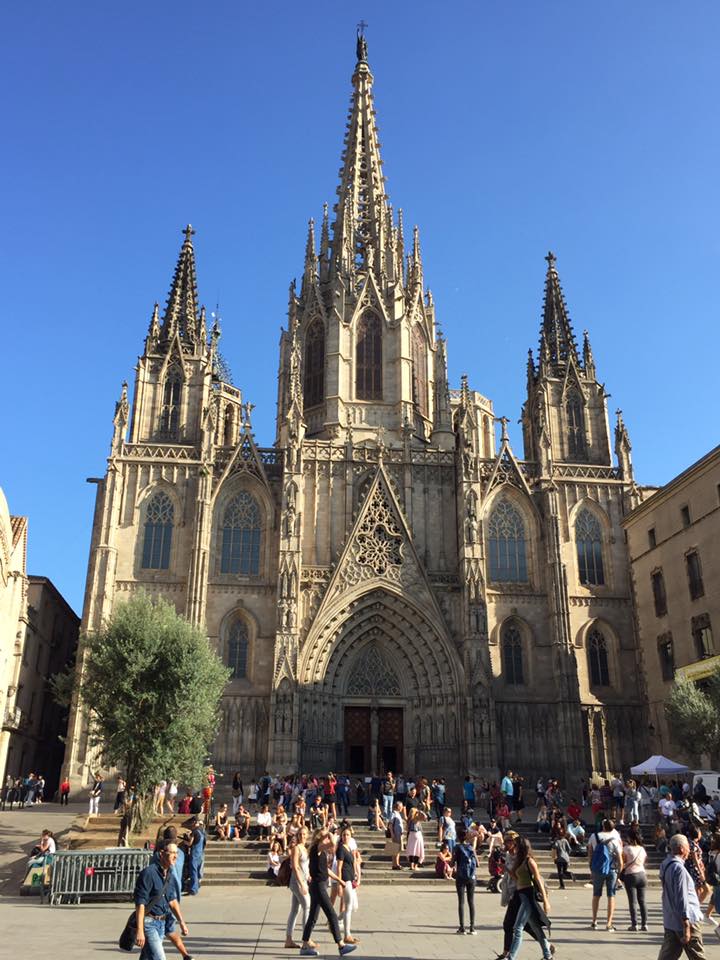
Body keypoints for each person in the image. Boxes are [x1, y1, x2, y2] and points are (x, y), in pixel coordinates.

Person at [299, 828, 356, 956]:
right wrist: (330, 833)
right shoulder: (317, 848)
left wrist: (339, 880)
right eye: (325, 836)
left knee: (313, 917)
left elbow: (326, 870)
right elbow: (333, 842)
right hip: (318, 886)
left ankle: (304, 945)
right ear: (321, 837)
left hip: (319, 885)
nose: (327, 837)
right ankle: (341, 945)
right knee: (332, 914)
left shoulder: (320, 851)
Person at [134, 842, 189, 960]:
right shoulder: (148, 873)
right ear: (162, 854)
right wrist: (140, 931)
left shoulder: (169, 873)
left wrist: (181, 922)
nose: (176, 856)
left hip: (161, 924)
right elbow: (140, 903)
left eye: (177, 853)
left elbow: (172, 900)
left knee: (147, 957)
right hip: (148, 923)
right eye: (172, 853)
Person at [658, 833, 706, 959]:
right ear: (681, 849)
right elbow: (681, 897)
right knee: (697, 956)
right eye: (688, 848)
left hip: (671, 920)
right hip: (686, 921)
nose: (689, 851)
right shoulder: (678, 868)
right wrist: (686, 925)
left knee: (667, 956)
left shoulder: (665, 864)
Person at [506, 835, 553, 960]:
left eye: (516, 845)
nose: (513, 847)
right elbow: (518, 879)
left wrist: (546, 901)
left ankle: (511, 957)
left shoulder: (529, 861)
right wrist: (509, 871)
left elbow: (538, 880)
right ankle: (548, 955)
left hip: (528, 895)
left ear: (522, 847)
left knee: (518, 927)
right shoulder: (519, 861)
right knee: (536, 928)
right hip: (521, 894)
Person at [588, 818, 624, 931]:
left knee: (596, 895)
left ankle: (594, 921)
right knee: (611, 896)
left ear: (603, 826)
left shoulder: (594, 836)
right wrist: (619, 874)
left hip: (598, 869)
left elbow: (590, 853)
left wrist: (591, 869)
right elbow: (620, 859)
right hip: (612, 870)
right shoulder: (616, 838)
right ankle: (609, 923)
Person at [286, 826, 312, 949]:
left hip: (303, 880)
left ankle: (289, 939)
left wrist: (308, 876)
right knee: (307, 906)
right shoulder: (296, 848)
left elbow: (304, 866)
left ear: (307, 835)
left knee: (295, 910)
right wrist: (302, 884)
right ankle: (306, 939)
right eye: (300, 834)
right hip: (297, 882)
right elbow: (295, 867)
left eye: (304, 834)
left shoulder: (305, 848)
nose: (302, 836)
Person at [336, 825, 360, 944]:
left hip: (350, 878)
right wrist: (340, 884)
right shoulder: (341, 848)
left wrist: (356, 875)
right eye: (344, 835)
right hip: (345, 879)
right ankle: (347, 934)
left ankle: (334, 921)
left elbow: (353, 863)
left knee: (350, 906)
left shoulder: (348, 847)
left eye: (348, 835)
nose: (345, 836)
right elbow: (339, 868)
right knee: (348, 906)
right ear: (341, 836)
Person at [452, 828, 478, 935]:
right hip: (471, 877)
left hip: (461, 877)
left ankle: (462, 927)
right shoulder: (471, 847)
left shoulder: (457, 847)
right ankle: (472, 927)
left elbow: (452, 863)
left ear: (458, 837)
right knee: (471, 902)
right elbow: (477, 863)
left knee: (461, 902)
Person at [622, 823, 648, 931]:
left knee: (632, 901)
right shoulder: (642, 849)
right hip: (642, 874)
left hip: (630, 875)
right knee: (642, 901)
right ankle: (644, 924)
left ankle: (634, 924)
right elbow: (644, 861)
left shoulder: (626, 849)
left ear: (629, 837)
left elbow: (623, 861)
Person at [185, 817, 206, 896]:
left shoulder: (194, 831)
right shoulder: (202, 831)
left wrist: (185, 841)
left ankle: (193, 889)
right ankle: (196, 886)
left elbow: (190, 843)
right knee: (197, 871)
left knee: (193, 871)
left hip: (195, 853)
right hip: (200, 853)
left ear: (194, 822)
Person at [406, 805, 427, 871]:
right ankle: (415, 866)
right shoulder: (415, 819)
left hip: (411, 835)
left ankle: (411, 866)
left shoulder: (409, 819)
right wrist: (420, 811)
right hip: (417, 834)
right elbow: (425, 817)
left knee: (412, 850)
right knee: (417, 850)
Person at [388, 800, 405, 870]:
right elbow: (390, 825)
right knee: (395, 849)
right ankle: (395, 864)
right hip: (395, 834)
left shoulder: (397, 814)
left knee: (397, 849)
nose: (402, 808)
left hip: (398, 834)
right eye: (401, 806)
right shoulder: (393, 814)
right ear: (398, 807)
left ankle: (395, 864)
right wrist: (392, 833)